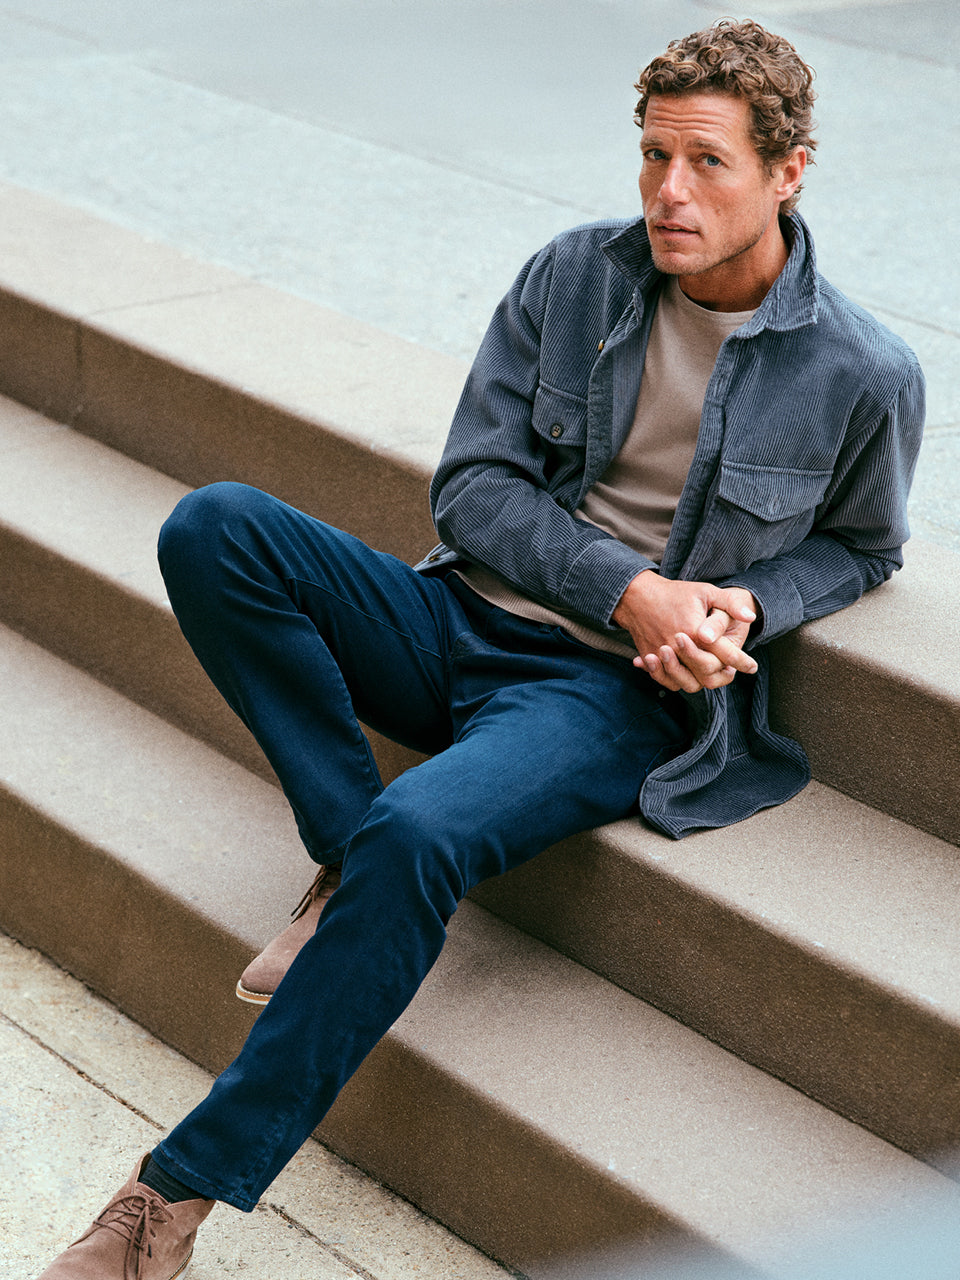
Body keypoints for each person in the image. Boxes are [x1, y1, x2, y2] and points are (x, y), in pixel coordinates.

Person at [38, 17, 924, 1278]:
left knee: (422, 835)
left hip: (606, 697)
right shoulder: (574, 276)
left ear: (787, 173)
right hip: (460, 611)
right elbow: (473, 489)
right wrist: (632, 586)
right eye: (654, 155)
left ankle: (163, 1202)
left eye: (709, 163)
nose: (670, 192)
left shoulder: (865, 370)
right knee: (215, 525)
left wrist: (738, 607)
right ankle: (349, 858)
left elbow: (862, 549)